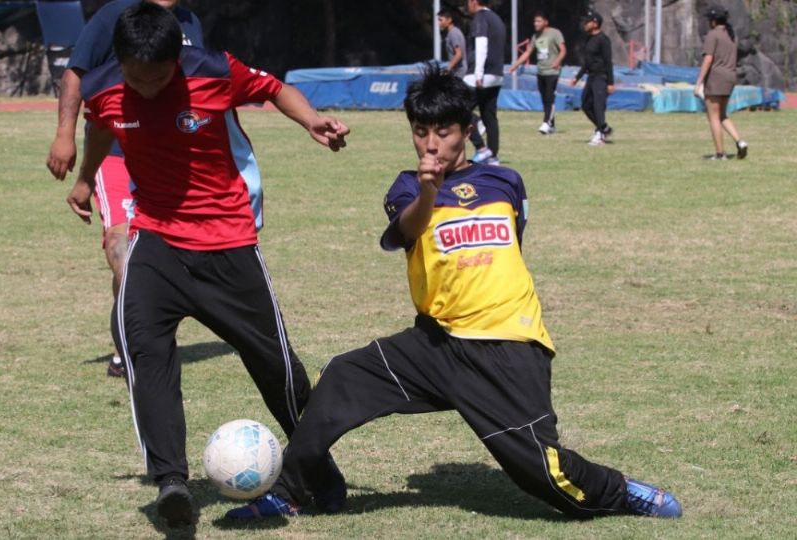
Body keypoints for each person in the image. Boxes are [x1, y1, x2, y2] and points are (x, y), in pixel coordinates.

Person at [225, 66, 683, 522]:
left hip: (506, 348)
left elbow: (510, 249)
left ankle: (623, 491)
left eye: (443, 132)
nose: (430, 144)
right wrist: (429, 192)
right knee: (342, 376)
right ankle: (295, 491)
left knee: (542, 474)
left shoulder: (505, 181)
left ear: (467, 130)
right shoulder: (407, 187)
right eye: (420, 132)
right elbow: (408, 229)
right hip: (435, 344)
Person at [66, 3, 350, 526]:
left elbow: (272, 88)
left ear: (179, 59)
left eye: (157, 78)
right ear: (121, 63)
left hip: (228, 243)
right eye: (136, 78)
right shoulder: (105, 87)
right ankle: (171, 481)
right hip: (157, 240)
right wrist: (86, 177)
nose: (146, 88)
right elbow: (102, 127)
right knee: (141, 346)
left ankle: (314, 461)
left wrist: (311, 119)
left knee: (276, 364)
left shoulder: (213, 71)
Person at [47, 0, 204, 378]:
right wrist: (64, 134)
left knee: (169, 257)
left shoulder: (190, 22)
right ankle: (132, 349)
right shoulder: (114, 14)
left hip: (172, 158)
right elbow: (75, 74)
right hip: (116, 151)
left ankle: (148, 333)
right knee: (124, 251)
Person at [694, 7, 748, 160]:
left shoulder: (713, 35)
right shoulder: (731, 34)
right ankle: (740, 142)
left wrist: (699, 82)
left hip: (716, 78)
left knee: (713, 117)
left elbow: (708, 59)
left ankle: (720, 153)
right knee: (722, 114)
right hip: (730, 76)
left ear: (713, 21)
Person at [509, 12, 566, 135]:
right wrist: (515, 65)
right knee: (545, 98)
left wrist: (557, 61)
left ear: (546, 22)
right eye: (535, 21)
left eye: (539, 21)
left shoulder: (555, 33)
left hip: (553, 71)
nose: (536, 23)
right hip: (540, 71)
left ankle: (546, 123)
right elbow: (528, 52)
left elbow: (563, 50)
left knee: (550, 98)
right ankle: (552, 125)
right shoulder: (535, 36)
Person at [465, 0, 505, 165]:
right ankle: (493, 156)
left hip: (481, 74)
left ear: (474, 1)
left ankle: (481, 148)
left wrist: (478, 73)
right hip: (496, 74)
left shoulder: (480, 18)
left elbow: (482, 45)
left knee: (460, 110)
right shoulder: (496, 19)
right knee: (490, 116)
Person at [570, 11, 615, 146]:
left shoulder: (603, 39)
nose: (585, 24)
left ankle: (600, 135)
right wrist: (577, 77)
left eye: (588, 21)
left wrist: (610, 83)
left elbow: (608, 61)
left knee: (598, 106)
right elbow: (587, 62)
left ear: (595, 24)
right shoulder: (589, 39)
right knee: (585, 105)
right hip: (591, 76)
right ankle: (604, 128)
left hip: (601, 77)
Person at [438, 8, 467, 80]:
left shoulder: (453, 33)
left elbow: (458, 54)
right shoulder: (452, 32)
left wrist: (448, 69)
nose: (439, 23)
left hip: (460, 73)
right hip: (457, 73)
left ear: (449, 20)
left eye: (441, 20)